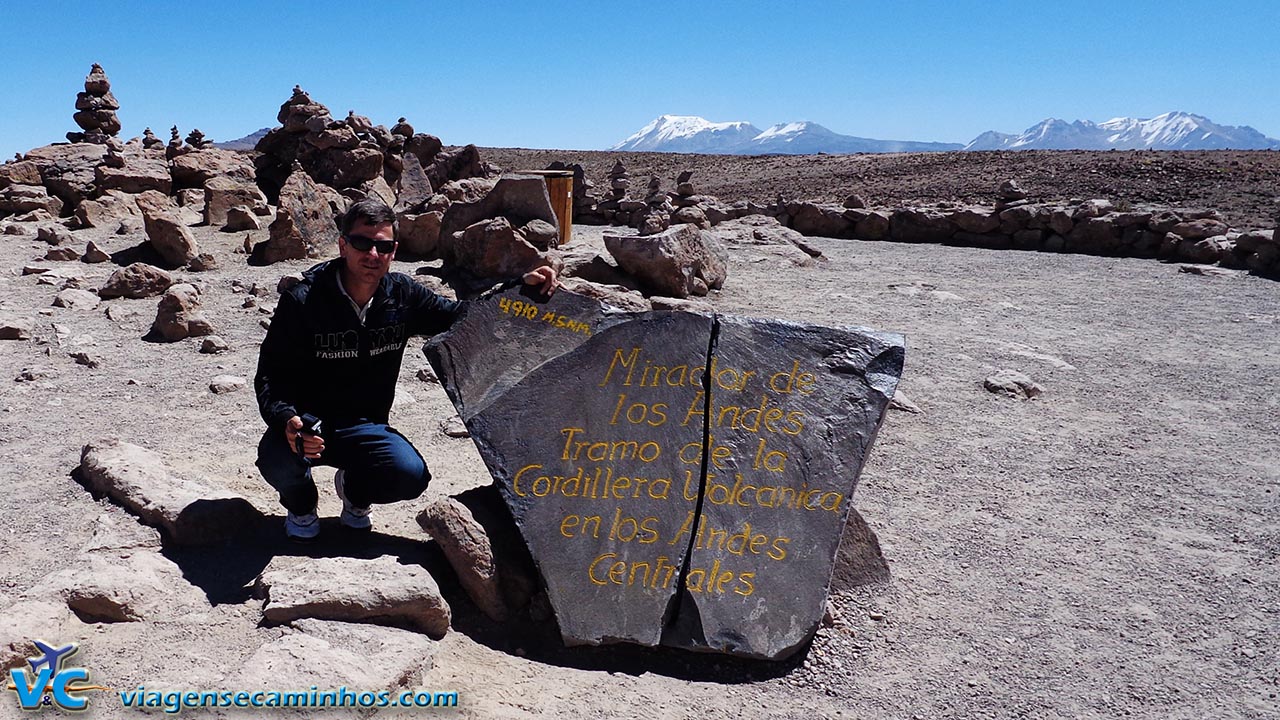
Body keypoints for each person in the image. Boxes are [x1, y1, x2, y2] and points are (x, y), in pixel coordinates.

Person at [254, 198, 558, 540]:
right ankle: (302, 505)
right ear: (343, 245)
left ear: (393, 250)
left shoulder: (402, 296)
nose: (372, 254)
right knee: (276, 459)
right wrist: (287, 421)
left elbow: (463, 316)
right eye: (361, 243)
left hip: (365, 427)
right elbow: (270, 376)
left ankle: (354, 492)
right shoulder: (303, 300)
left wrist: (519, 289)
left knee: (409, 475)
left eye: (382, 246)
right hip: (309, 426)